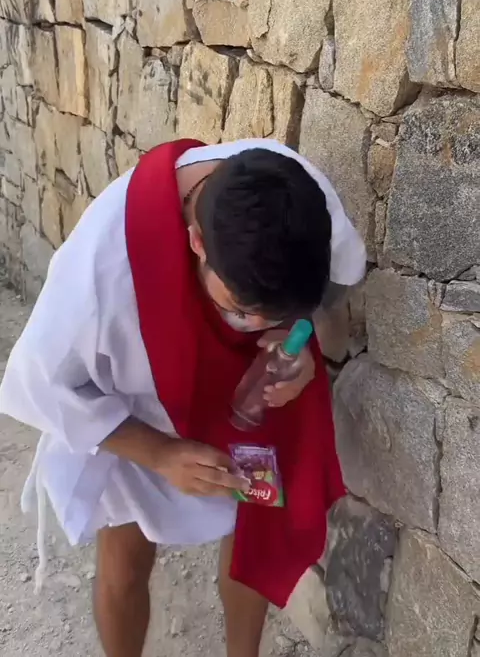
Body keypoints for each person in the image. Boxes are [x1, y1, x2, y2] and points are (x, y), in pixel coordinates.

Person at [0, 137, 366, 657]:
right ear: (196, 241)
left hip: (256, 389)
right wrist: (159, 453)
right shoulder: (104, 265)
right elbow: (38, 383)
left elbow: (332, 286)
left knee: (253, 530)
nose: (253, 323)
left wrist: (298, 336)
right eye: (241, 308)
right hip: (134, 406)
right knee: (125, 557)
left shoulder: (301, 201)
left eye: (272, 312)